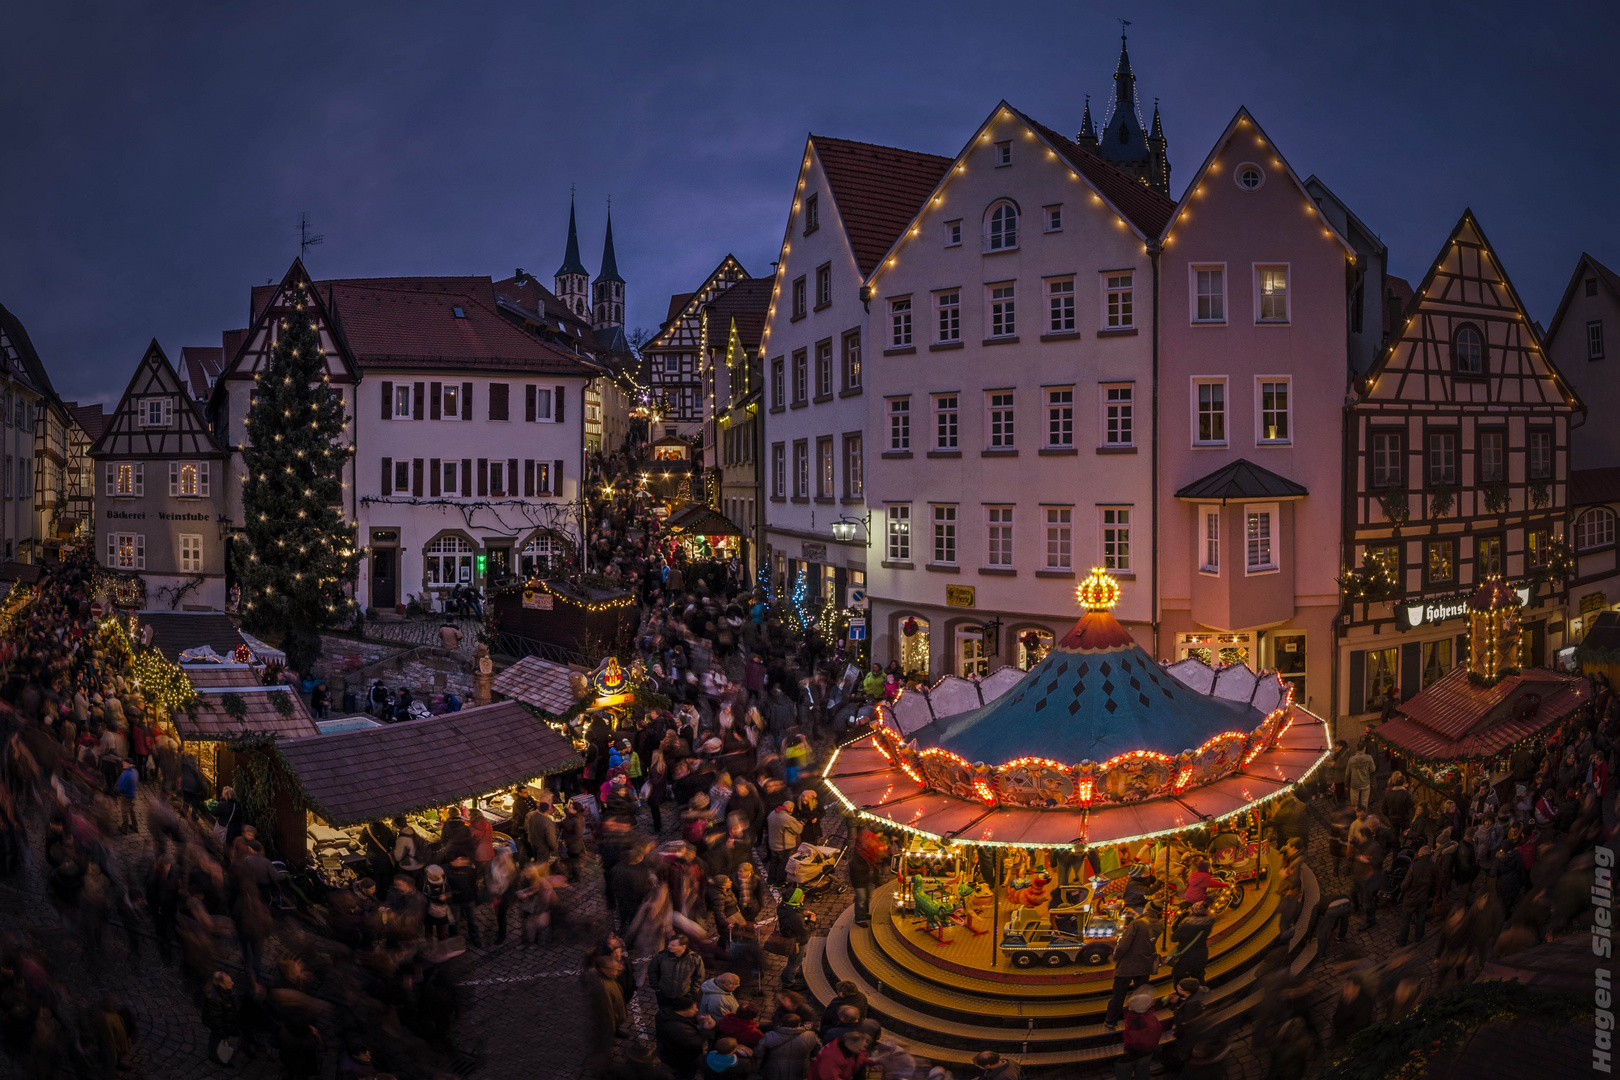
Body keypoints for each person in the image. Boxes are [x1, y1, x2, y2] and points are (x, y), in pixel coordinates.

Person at [1104, 902, 1163, 1029]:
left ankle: (1111, 1020)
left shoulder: (1135, 924)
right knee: (1140, 994)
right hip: (1145, 964)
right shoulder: (1160, 924)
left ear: (1146, 908)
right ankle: (1138, 1021)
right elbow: (1146, 926)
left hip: (1128, 965)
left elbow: (1124, 945)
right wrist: (1137, 915)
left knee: (1118, 996)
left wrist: (1115, 956)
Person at [655, 1000, 713, 1080]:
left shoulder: (666, 1014)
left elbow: (683, 1020)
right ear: (684, 1010)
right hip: (681, 1060)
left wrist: (695, 1020)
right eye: (693, 1008)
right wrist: (706, 1029)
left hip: (669, 1053)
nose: (697, 1010)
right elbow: (696, 1042)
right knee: (684, 1075)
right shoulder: (678, 1029)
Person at [649, 933, 706, 1008]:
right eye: (669, 944)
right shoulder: (661, 956)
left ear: (683, 947)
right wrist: (656, 987)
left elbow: (700, 975)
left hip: (684, 995)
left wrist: (693, 991)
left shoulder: (694, 959)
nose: (669, 946)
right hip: (664, 994)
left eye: (673, 945)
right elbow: (652, 970)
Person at [756, 1013, 818, 1080]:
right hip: (800, 1072)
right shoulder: (811, 1036)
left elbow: (758, 1052)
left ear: (781, 1023)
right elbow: (819, 1052)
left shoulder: (770, 1035)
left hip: (773, 1071)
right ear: (799, 1024)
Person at [1116, 990, 1162, 1080]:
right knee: (1143, 1070)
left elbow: (1133, 1039)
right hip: (1149, 1049)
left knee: (1124, 1073)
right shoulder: (1150, 1016)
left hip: (1135, 1051)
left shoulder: (1135, 1021)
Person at [777, 887, 815, 990]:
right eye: (801, 895)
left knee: (797, 959)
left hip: (793, 937)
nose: (803, 896)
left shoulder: (785, 906)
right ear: (795, 898)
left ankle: (794, 973)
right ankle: (788, 983)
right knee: (793, 963)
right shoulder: (794, 916)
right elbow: (804, 931)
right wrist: (812, 921)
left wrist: (802, 914)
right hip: (796, 941)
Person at [1397, 845, 1437, 945]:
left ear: (1421, 854)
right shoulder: (1433, 866)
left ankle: (1402, 940)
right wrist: (1431, 895)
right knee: (1421, 917)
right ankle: (1419, 936)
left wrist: (1401, 888)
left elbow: (1406, 883)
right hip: (1423, 897)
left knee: (1406, 920)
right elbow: (1435, 883)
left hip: (1411, 898)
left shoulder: (1414, 866)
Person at [1170, 900, 1215, 985]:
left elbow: (1173, 938)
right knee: (1199, 975)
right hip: (1201, 954)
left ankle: (1183, 994)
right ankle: (1201, 992)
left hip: (1186, 956)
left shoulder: (1187, 924)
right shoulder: (1209, 922)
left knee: (1178, 977)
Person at [767, 800, 804, 885]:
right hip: (784, 846)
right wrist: (800, 824)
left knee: (773, 863)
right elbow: (798, 830)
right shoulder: (788, 819)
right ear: (791, 808)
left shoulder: (772, 813)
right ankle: (780, 883)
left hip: (772, 844)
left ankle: (770, 881)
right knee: (783, 864)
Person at [1347, 743, 1375, 811]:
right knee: (1364, 802)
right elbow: (1372, 769)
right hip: (1365, 782)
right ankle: (1363, 815)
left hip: (1354, 783)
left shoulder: (1351, 759)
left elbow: (1347, 773)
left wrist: (1346, 784)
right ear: (1364, 748)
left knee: (1354, 803)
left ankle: (1354, 815)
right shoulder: (1369, 757)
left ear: (1356, 748)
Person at [114, 759, 139, 833]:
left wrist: (118, 790)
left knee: (124, 812)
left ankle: (124, 829)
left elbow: (122, 787)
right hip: (133, 795)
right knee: (132, 811)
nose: (123, 764)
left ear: (129, 764)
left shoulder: (126, 774)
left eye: (124, 763)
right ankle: (135, 826)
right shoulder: (134, 771)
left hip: (127, 796)